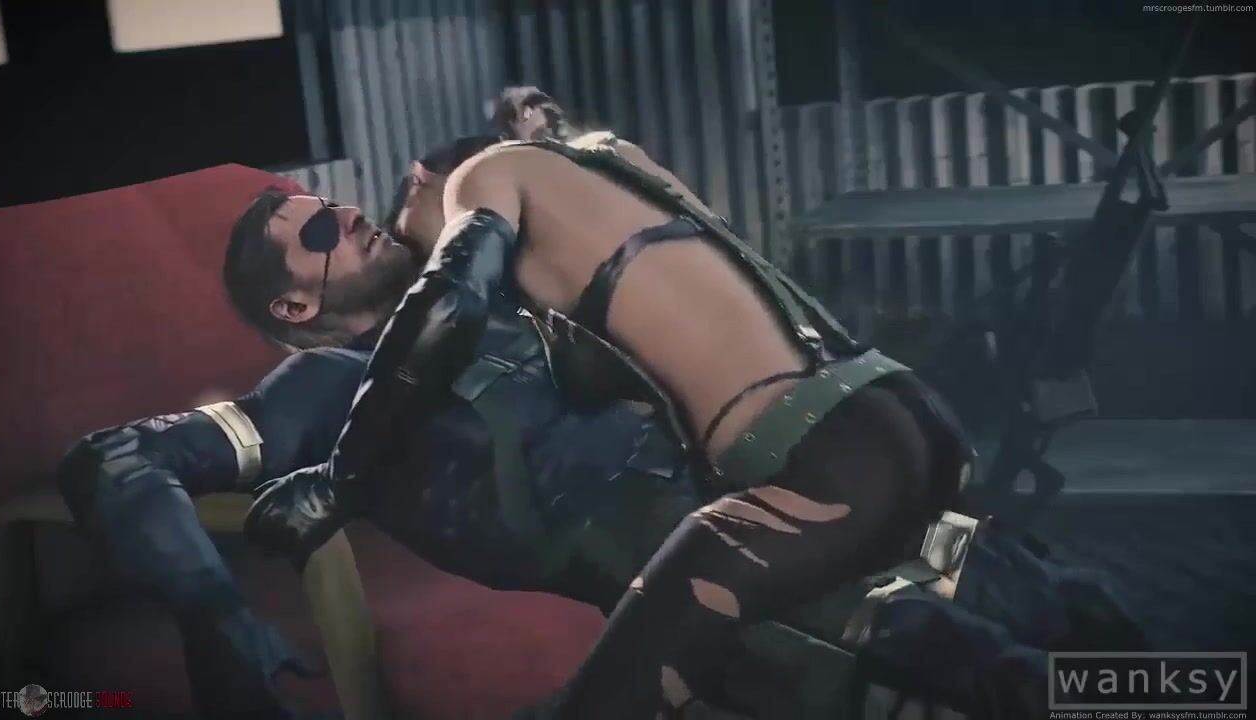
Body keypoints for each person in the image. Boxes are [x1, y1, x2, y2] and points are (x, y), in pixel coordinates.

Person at [243, 93, 1142, 717]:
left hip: (809, 458)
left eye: (383, 207)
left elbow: (449, 302)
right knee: (998, 588)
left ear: (430, 178)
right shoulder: (614, 168)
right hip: (889, 411)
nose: (370, 218)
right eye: (323, 226)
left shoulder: (486, 189)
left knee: (614, 696)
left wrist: (340, 479)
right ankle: (1171, 681)